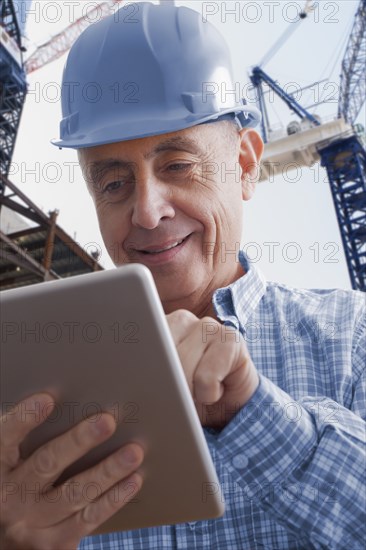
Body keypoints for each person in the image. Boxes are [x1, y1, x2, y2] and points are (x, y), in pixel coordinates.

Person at [1, 2, 365, 549]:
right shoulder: (31, 383)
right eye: (114, 183)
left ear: (245, 164)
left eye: (177, 166)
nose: (147, 212)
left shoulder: (351, 337)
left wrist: (249, 412)